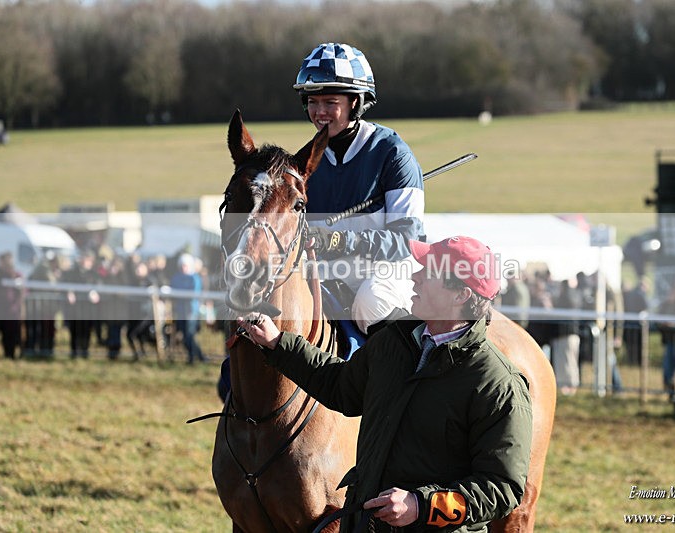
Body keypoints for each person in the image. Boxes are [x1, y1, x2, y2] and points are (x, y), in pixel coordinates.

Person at [243, 236, 533, 532]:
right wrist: (278, 344)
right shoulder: (394, 340)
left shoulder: (499, 386)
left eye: (428, 271)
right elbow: (341, 386)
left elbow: (501, 488)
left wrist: (422, 506)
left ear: (459, 295)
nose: (415, 276)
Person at [293, 42, 425, 335]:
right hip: (325, 273)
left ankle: (414, 376)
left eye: (330, 103)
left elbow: (408, 241)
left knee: (371, 302)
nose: (319, 112)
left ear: (356, 102)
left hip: (385, 271)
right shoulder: (305, 161)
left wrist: (341, 241)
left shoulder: (393, 153)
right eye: (313, 103)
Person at [170, 253, 207, 364]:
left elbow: (194, 294)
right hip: (180, 310)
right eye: (182, 265)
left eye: (185, 265)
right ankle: (200, 356)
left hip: (191, 310)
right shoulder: (176, 277)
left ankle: (192, 358)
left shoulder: (194, 278)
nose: (183, 268)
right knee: (184, 334)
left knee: (189, 335)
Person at [0, 251, 24, 359]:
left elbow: (22, 291)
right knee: (4, 334)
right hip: (2, 309)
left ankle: (13, 354)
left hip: (13, 310)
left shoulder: (16, 275)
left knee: (13, 333)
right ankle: (7, 354)